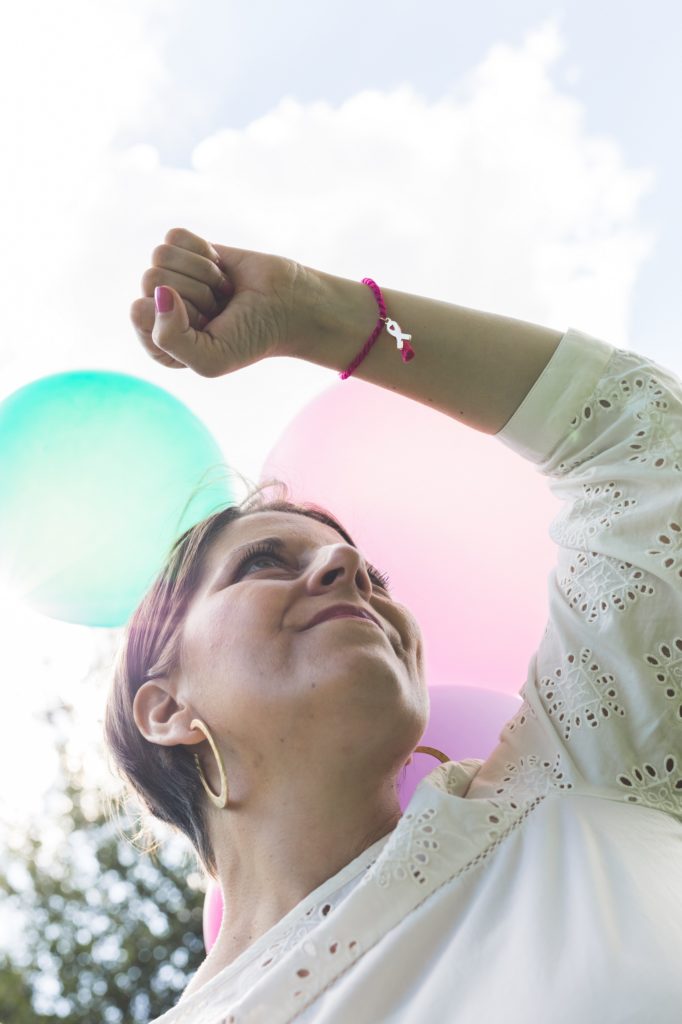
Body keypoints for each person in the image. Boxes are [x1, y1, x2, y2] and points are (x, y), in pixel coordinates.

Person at [106, 227, 682, 1023]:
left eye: (371, 574)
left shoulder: (571, 781)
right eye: (263, 563)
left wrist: (316, 311)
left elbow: (649, 445)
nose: (346, 572)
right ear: (163, 707)